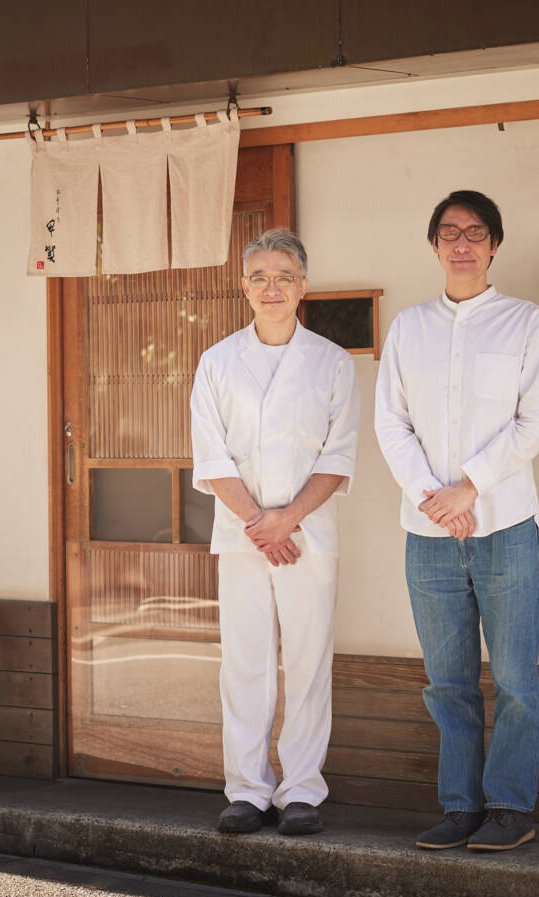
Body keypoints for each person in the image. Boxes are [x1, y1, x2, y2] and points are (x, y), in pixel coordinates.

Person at [374, 190, 539, 852]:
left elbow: (533, 421)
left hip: (505, 525)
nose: (461, 243)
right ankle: (459, 806)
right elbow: (390, 421)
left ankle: (510, 806)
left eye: (474, 233)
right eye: (448, 232)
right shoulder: (409, 328)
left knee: (513, 677)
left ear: (494, 245)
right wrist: (433, 493)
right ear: (433, 245)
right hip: (427, 535)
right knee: (447, 682)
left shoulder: (525, 323)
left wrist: (469, 487)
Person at [190, 228, 360, 836]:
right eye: (259, 277)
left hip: (308, 537)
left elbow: (338, 458)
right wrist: (260, 525)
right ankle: (247, 790)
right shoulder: (216, 362)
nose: (271, 287)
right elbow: (212, 459)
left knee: (310, 660)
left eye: (283, 277)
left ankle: (302, 791)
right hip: (241, 538)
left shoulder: (332, 362)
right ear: (243, 286)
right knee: (244, 662)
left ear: (303, 287)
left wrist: (285, 521)